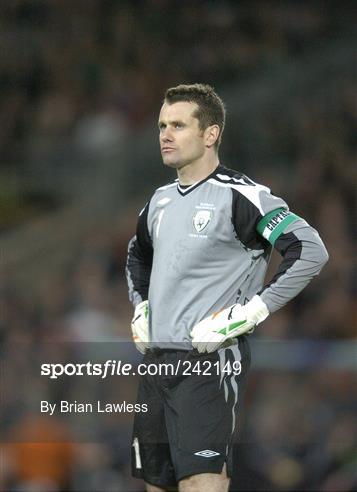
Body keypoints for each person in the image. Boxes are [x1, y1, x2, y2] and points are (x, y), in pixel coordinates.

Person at [126, 83, 328, 492]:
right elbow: (137, 257)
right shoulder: (159, 202)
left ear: (211, 134)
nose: (165, 134)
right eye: (162, 124)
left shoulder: (243, 197)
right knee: (155, 485)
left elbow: (310, 250)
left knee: (203, 483)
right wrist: (141, 307)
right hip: (156, 365)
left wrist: (252, 311)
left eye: (179, 125)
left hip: (209, 364)